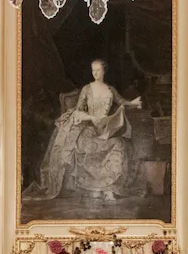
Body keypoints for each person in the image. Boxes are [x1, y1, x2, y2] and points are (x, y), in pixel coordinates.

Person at [24, 58, 143, 202]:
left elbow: (121, 101)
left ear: (104, 71)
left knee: (119, 144)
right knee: (90, 145)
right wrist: (92, 118)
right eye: (93, 70)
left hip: (105, 130)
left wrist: (133, 103)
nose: (95, 73)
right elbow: (79, 111)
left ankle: (108, 188)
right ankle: (97, 189)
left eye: (98, 70)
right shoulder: (87, 89)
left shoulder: (110, 90)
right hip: (88, 129)